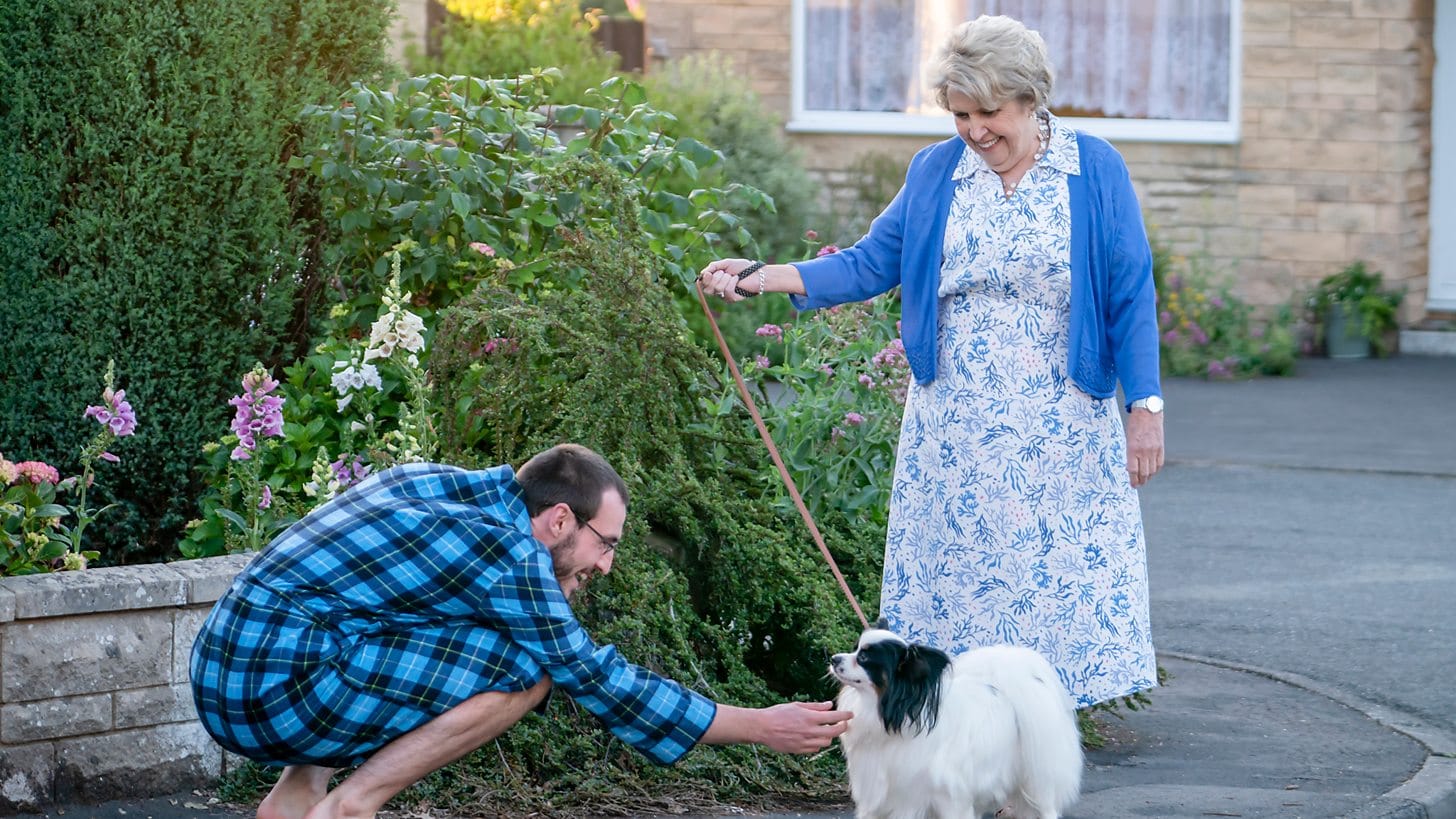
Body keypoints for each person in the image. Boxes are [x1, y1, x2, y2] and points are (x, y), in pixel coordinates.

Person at [698, 15, 1162, 708]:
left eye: (989, 114)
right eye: (960, 115)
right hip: (956, 430)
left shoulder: (1093, 168)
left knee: (1047, 585)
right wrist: (763, 276)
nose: (974, 131)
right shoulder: (937, 170)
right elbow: (869, 262)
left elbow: (1131, 289)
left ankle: (1032, 766)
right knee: (962, 583)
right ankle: (960, 753)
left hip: (1061, 425)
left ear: (1032, 99)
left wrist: (1145, 407)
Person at [190, 444, 851, 819]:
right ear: (560, 518)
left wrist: (560, 586)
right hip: (276, 690)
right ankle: (352, 804)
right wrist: (760, 725)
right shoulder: (509, 558)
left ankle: (294, 797)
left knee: (404, 624)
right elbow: (597, 678)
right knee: (530, 669)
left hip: (227, 666)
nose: (608, 564)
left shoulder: (440, 483)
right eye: (606, 543)